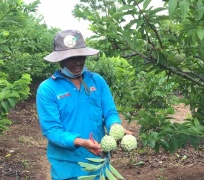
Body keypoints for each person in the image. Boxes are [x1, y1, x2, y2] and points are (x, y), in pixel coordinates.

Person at [36, 29, 132, 179]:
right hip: (67, 167)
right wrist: (81, 142)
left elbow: (110, 112)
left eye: (81, 56)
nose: (78, 61)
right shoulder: (48, 89)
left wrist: (115, 126)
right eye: (72, 58)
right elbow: (51, 130)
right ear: (61, 59)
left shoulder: (97, 81)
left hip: (99, 163)